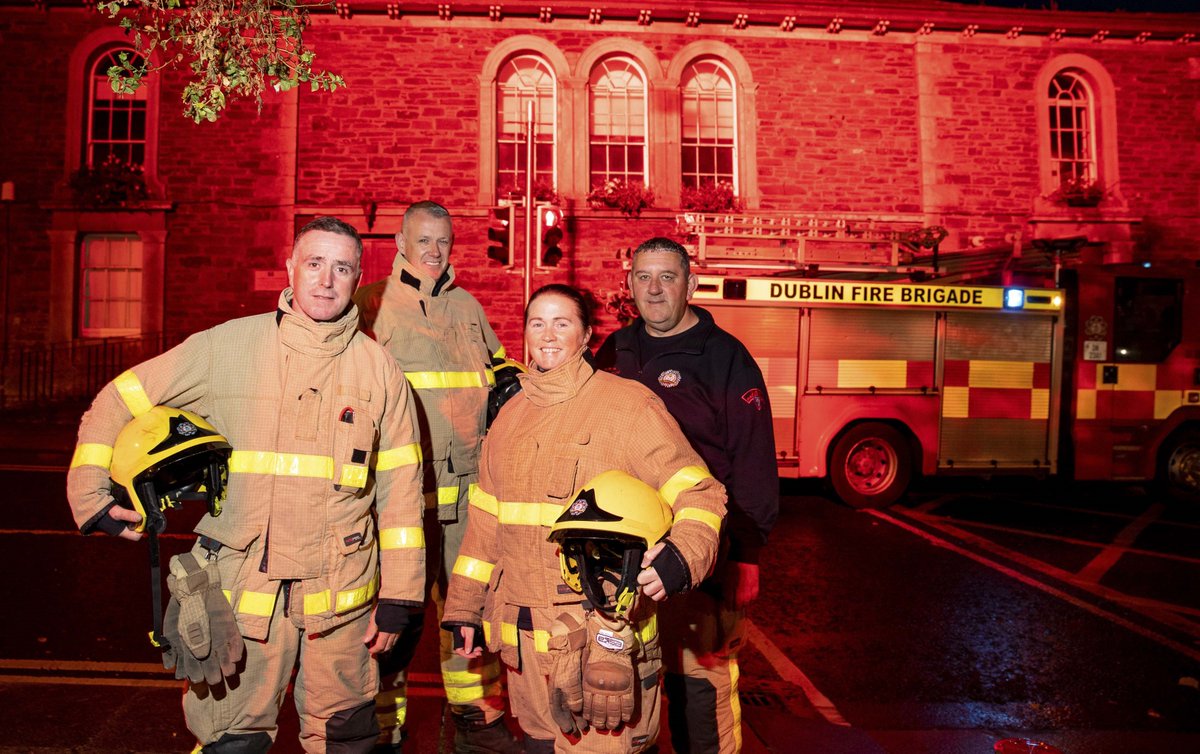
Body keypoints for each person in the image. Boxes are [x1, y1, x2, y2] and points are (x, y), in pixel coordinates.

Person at [65, 217, 427, 753]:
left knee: (348, 740)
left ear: (357, 278)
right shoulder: (226, 348)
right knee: (232, 742)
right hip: (243, 595)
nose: (326, 280)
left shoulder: (380, 371)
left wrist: (402, 594)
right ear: (291, 270)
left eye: (342, 267)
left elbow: (402, 493)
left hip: (342, 601)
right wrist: (90, 494)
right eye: (314, 264)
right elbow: (119, 399)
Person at [441, 284, 728, 753]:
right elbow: (486, 525)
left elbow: (700, 491)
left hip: (601, 647)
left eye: (562, 323)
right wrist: (465, 609)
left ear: (587, 335)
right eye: (537, 323)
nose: (548, 335)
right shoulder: (508, 417)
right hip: (524, 650)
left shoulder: (629, 407)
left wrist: (682, 556)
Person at [595, 237, 779, 754]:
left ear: (691, 285)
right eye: (643, 277)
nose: (654, 290)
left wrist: (746, 555)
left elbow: (753, 460)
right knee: (633, 690)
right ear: (629, 284)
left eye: (667, 277)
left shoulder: (724, 359)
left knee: (700, 688)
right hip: (626, 555)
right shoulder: (614, 350)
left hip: (703, 553)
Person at [355, 201, 519, 754]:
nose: (432, 251)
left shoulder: (469, 308)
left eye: (442, 242)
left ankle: (476, 717)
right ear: (400, 242)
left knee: (469, 616)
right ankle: (380, 730)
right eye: (422, 240)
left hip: (464, 507)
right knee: (391, 626)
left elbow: (504, 383)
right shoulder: (371, 306)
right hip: (396, 504)